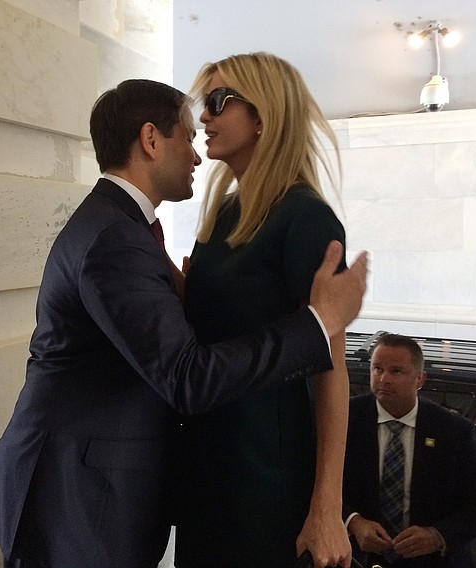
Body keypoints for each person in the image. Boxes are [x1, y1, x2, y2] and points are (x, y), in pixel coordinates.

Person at [0, 79, 368, 568]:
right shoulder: (117, 238)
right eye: (186, 135)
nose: (197, 153)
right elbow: (185, 377)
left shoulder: (122, 226)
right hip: (79, 493)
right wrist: (318, 324)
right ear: (150, 140)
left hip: (103, 482)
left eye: (220, 105)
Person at [174, 52, 354, 568]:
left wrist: (326, 507)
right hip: (209, 461)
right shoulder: (226, 211)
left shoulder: (306, 218)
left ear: (262, 116)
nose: (202, 118)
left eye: (216, 102)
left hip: (265, 473)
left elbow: (332, 369)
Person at [342, 333, 476, 567]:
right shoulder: (345, 420)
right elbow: (315, 484)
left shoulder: (453, 432)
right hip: (358, 558)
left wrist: (438, 536)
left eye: (396, 371)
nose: (383, 379)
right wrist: (353, 521)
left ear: (420, 379)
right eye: (377, 369)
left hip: (432, 561)